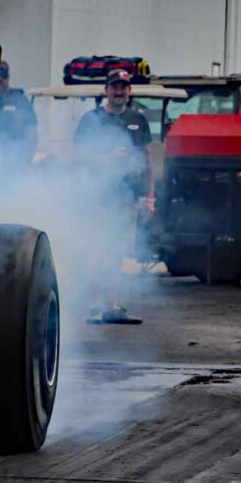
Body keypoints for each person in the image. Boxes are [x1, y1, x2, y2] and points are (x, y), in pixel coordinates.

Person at [73, 69, 152, 325]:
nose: (119, 92)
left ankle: (112, 306)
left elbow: (145, 160)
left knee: (117, 250)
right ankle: (94, 306)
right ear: (106, 90)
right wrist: (107, 159)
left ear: (129, 91)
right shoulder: (91, 119)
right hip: (97, 195)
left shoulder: (137, 119)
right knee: (97, 249)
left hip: (126, 197)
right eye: (114, 87)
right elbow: (79, 158)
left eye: (124, 87)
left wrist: (148, 196)